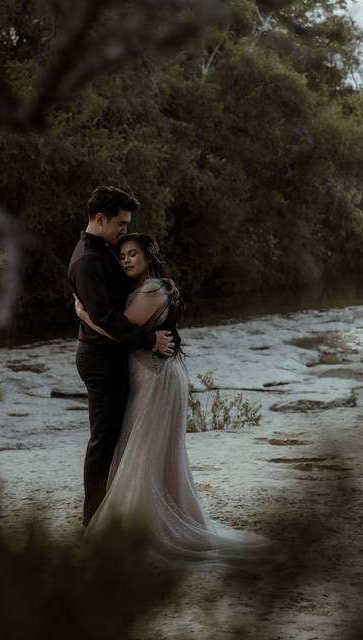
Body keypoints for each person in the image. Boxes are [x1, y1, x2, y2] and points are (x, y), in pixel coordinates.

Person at [75, 233, 277, 568]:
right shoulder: (142, 289)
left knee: (144, 451)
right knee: (140, 448)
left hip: (155, 379)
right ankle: (135, 517)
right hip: (148, 375)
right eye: (122, 255)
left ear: (148, 257)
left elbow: (121, 330)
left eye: (132, 254)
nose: (125, 260)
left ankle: (139, 525)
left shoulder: (154, 289)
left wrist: (84, 314)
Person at [68, 186, 175, 528]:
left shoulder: (103, 251)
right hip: (100, 359)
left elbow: (110, 310)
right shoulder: (88, 258)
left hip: (111, 356)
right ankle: (92, 522)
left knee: (114, 439)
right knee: (103, 441)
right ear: (100, 219)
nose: (124, 231)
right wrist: (148, 340)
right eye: (122, 224)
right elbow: (106, 318)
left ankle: (111, 514)